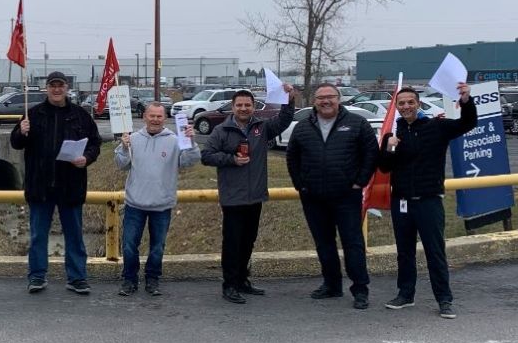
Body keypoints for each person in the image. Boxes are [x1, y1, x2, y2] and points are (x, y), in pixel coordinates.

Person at [377, 84, 476, 319]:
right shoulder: (393, 132)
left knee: (435, 252)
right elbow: (383, 166)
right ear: (397, 107)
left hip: (428, 201)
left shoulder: (437, 127)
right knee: (405, 252)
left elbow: (467, 123)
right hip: (401, 202)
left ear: (418, 104)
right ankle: (405, 294)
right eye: (401, 103)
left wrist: (466, 100)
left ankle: (444, 299)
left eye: (410, 102)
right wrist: (388, 148)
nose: (406, 106)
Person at [286, 83, 379, 309]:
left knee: (353, 243)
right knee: (324, 244)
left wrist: (360, 181)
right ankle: (332, 285)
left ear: (339, 99)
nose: (325, 101)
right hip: (313, 197)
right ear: (314, 102)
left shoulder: (357, 123)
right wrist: (301, 185)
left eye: (330, 97)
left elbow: (371, 153)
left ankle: (360, 289)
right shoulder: (302, 127)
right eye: (320, 98)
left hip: (347, 196)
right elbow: (292, 157)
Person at [10, 71, 102, 295]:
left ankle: (77, 278)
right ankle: (37, 276)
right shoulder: (32, 114)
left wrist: (87, 158)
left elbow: (95, 144)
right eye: (53, 86)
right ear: (47, 88)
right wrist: (21, 132)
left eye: (60, 85)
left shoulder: (80, 115)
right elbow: (15, 143)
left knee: (74, 235)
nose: (57, 89)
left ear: (67, 87)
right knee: (38, 235)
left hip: (71, 186)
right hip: (40, 186)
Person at [202, 85, 295, 304]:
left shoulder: (261, 128)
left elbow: (283, 121)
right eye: (239, 105)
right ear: (233, 107)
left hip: (255, 196)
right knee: (233, 243)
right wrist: (231, 160)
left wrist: (289, 101)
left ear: (254, 107)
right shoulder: (222, 131)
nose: (243, 108)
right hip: (233, 197)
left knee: (248, 241)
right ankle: (230, 285)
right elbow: (206, 155)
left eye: (247, 105)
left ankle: (243, 280)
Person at [115, 103, 200, 297]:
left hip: (162, 205)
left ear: (164, 118)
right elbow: (121, 165)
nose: (155, 119)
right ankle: (129, 280)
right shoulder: (133, 139)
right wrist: (123, 146)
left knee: (157, 247)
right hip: (134, 204)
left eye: (159, 116)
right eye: (151, 116)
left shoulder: (174, 140)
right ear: (144, 116)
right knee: (129, 245)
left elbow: (189, 161)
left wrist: (191, 142)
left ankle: (152, 279)